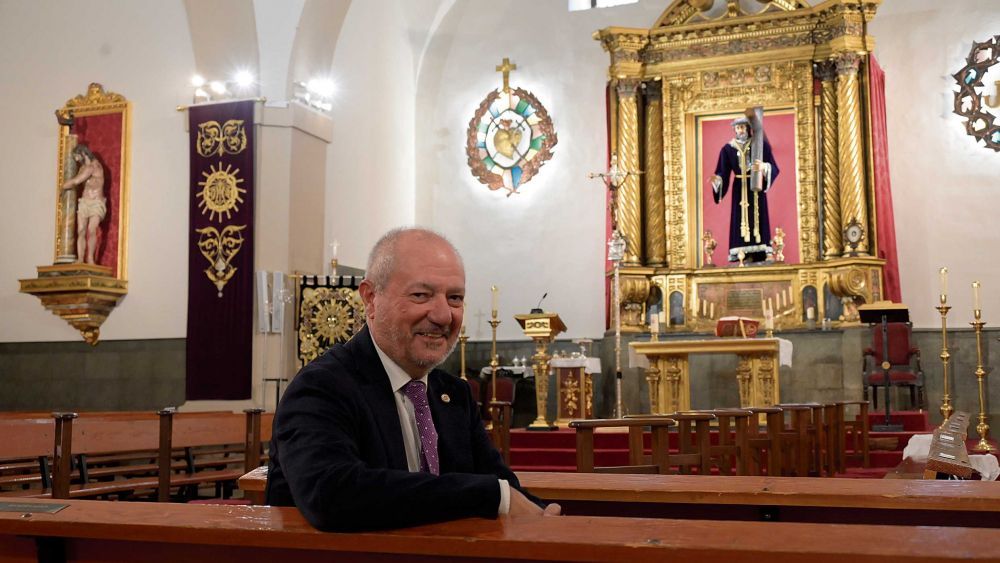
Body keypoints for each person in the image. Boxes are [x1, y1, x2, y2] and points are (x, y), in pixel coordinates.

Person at [266, 227, 560, 531]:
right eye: (421, 295)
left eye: (455, 298)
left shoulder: (454, 394)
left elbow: (502, 486)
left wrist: (542, 514)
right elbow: (331, 494)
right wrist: (490, 496)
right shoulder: (322, 387)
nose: (444, 315)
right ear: (370, 299)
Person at [709, 116, 780, 264]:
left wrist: (764, 168)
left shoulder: (759, 145)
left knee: (759, 216)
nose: (741, 130)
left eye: (743, 127)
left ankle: (761, 252)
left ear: (748, 128)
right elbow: (722, 171)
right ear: (734, 130)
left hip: (756, 187)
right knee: (739, 218)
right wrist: (717, 181)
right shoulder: (728, 149)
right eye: (738, 127)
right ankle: (742, 252)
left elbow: (773, 166)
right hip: (739, 188)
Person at [62, 144, 106, 264]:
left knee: (91, 230)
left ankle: (90, 259)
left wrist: (62, 185)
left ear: (82, 154)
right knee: (81, 231)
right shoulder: (83, 168)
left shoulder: (93, 166)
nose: (76, 160)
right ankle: (80, 259)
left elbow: (76, 181)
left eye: (77, 157)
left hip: (96, 202)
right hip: (84, 202)